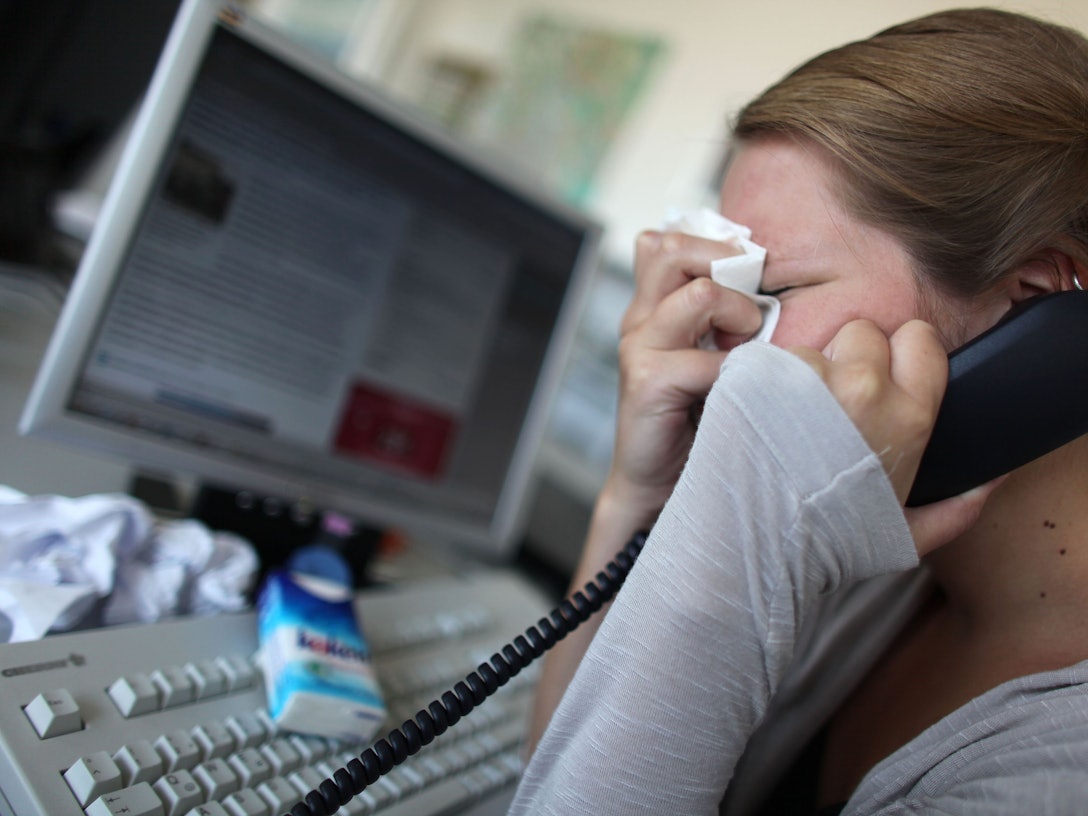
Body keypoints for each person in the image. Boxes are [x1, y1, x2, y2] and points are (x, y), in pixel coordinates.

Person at [509, 7, 1088, 815]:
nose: (718, 343)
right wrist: (643, 501)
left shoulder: (1061, 774)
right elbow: (569, 775)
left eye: (773, 293)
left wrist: (743, 534)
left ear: (1037, 306)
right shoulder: (863, 546)